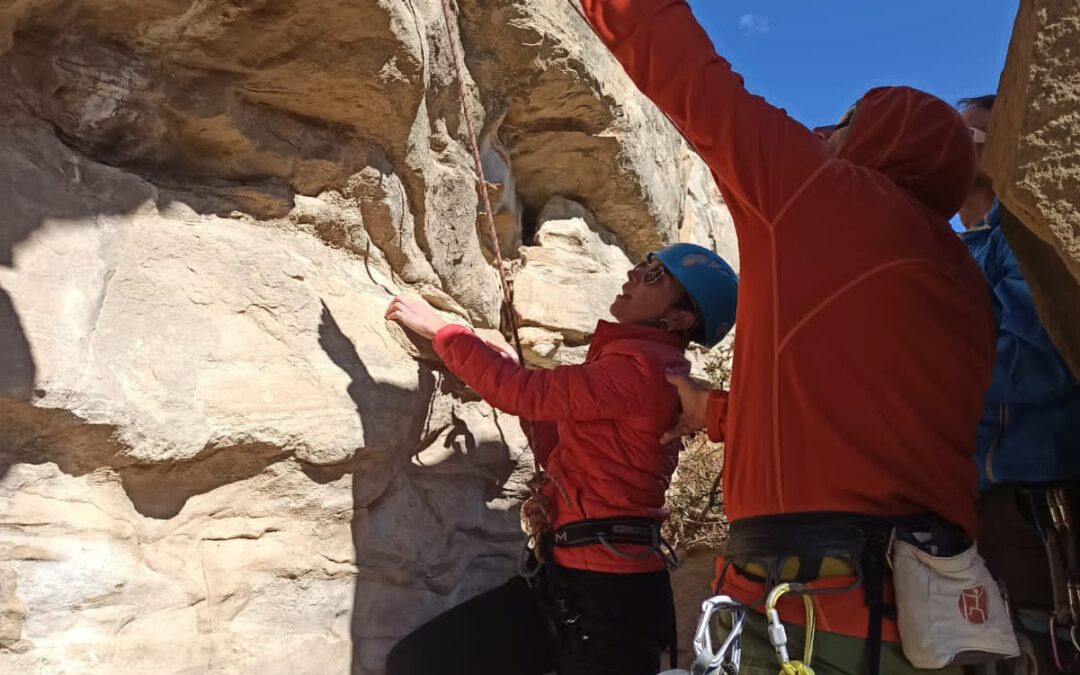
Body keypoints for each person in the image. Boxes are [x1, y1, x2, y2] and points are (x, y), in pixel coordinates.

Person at [575, 2, 996, 674]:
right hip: (925, 609)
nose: (824, 129)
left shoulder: (820, 193)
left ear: (884, 137)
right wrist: (711, 409)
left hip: (813, 604)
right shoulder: (966, 288)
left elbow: (685, 68)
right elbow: (850, 432)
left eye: (850, 118)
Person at [383, 243, 738, 675]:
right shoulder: (634, 361)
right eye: (644, 264)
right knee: (419, 661)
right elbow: (560, 442)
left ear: (679, 319)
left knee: (422, 663)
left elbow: (522, 393)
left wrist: (444, 332)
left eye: (654, 276)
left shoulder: (642, 368)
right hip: (575, 578)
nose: (633, 274)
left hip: (608, 595)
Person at [958, 94, 1080, 675]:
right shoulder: (964, 246)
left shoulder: (1022, 231)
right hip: (983, 500)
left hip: (1038, 498)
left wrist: (933, 397)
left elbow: (1039, 357)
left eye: (968, 131)